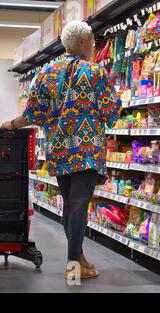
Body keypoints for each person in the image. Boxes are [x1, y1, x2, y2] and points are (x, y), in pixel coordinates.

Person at [2, 21, 122, 280]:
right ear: (81, 43)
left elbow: (34, 113)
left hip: (59, 149)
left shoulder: (46, 73)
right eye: (91, 41)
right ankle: (73, 266)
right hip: (87, 150)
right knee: (78, 206)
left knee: (71, 205)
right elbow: (112, 109)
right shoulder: (95, 72)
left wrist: (10, 124)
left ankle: (78, 258)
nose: (93, 46)